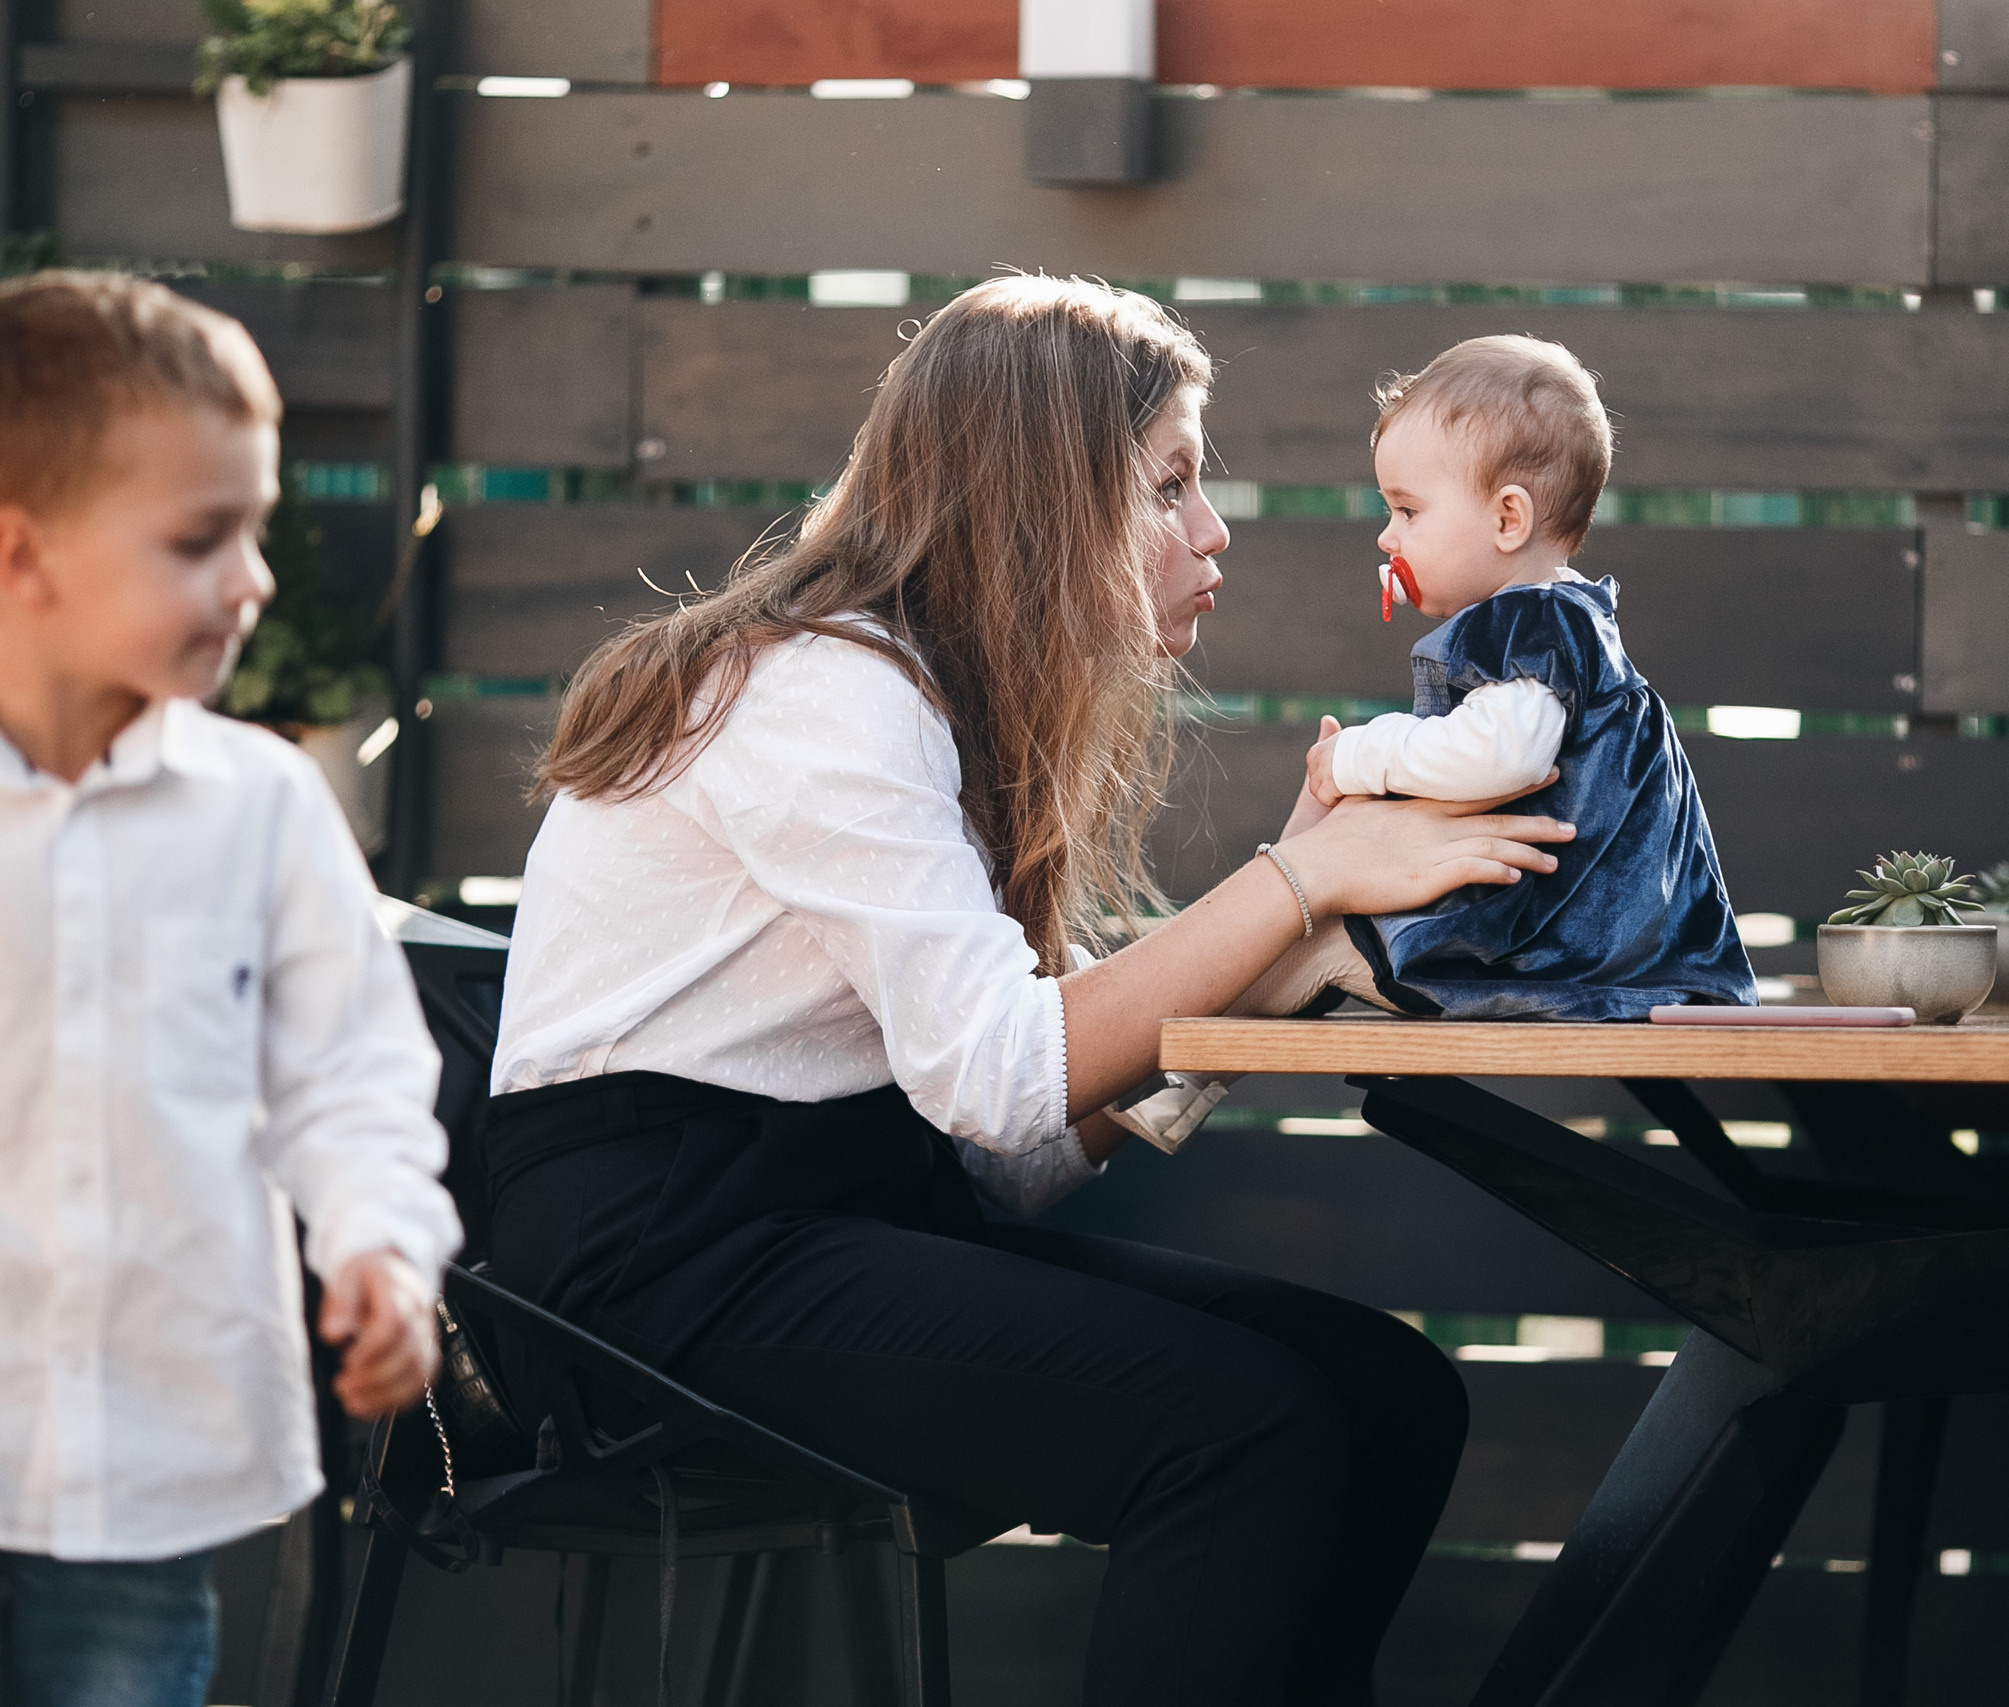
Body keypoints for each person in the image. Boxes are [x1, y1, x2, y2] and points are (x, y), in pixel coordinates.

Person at [483, 276, 1573, 1707]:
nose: (1212, 527)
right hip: (647, 1277)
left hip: (825, 1215)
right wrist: (1295, 885)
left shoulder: (942, 697)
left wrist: (1287, 960)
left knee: (1386, 1393)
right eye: (1170, 482)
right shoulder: (830, 692)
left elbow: (1009, 1153)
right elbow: (1007, 1082)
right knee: (1242, 1431)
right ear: (1045, 496)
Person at [0, 271, 460, 1706]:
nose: (254, 578)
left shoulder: (260, 805)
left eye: (254, 527)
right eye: (204, 538)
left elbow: (350, 1076)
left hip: (146, 1464)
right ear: (23, 558)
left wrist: (381, 1244)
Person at [1118, 334, 1756, 1149]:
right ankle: (1177, 1081)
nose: (1388, 537)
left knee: (1315, 943)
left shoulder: (1532, 623)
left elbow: (1502, 755)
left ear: (1507, 517)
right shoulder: (1563, 625)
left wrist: (1365, 752)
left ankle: (1175, 1081)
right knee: (1307, 939)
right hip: (1577, 936)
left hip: (1551, 946)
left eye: (1409, 511)